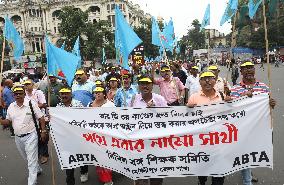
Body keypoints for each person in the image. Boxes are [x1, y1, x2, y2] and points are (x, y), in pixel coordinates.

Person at [230, 61, 276, 185]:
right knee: (245, 151)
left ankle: (247, 170)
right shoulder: (235, 89)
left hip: (259, 127)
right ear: (241, 72)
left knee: (253, 151)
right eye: (245, 69)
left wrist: (272, 104)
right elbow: (232, 108)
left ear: (254, 70)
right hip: (242, 128)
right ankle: (247, 179)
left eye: (250, 68)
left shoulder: (264, 87)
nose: (248, 71)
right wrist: (244, 96)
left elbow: (267, 106)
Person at [187, 71, 228, 185]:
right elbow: (188, 121)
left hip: (219, 143)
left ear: (215, 80)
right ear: (199, 82)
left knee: (218, 179)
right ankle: (202, 180)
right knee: (202, 172)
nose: (207, 81)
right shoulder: (194, 98)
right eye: (204, 79)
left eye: (210, 78)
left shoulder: (222, 96)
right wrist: (187, 110)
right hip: (201, 144)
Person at [0, 87, 47, 185]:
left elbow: (41, 118)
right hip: (18, 138)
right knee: (27, 157)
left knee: (31, 160)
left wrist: (43, 131)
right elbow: (8, 121)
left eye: (20, 93)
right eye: (16, 94)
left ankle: (32, 182)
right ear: (13, 95)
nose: (18, 95)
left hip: (31, 135)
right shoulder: (11, 107)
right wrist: (1, 120)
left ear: (24, 94)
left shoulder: (31, 104)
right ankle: (37, 169)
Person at [129, 75, 167, 185]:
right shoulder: (134, 99)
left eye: (147, 83)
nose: (145, 86)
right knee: (140, 175)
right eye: (142, 83)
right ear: (139, 86)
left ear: (152, 85)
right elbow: (129, 118)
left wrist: (155, 110)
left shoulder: (159, 99)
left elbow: (169, 118)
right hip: (139, 143)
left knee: (156, 175)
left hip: (156, 142)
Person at [56, 88, 88, 185]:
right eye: (62, 94)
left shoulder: (78, 104)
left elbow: (85, 117)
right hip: (65, 138)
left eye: (66, 94)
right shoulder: (58, 106)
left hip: (78, 135)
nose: (64, 96)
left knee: (81, 155)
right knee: (68, 159)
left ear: (71, 94)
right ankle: (70, 181)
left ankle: (84, 172)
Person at [23, 79, 49, 164]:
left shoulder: (38, 93)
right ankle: (37, 154)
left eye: (28, 84)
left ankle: (44, 154)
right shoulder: (23, 94)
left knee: (43, 136)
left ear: (33, 85)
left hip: (40, 118)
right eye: (25, 84)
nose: (26, 86)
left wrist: (32, 107)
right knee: (33, 136)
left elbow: (44, 104)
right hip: (29, 119)